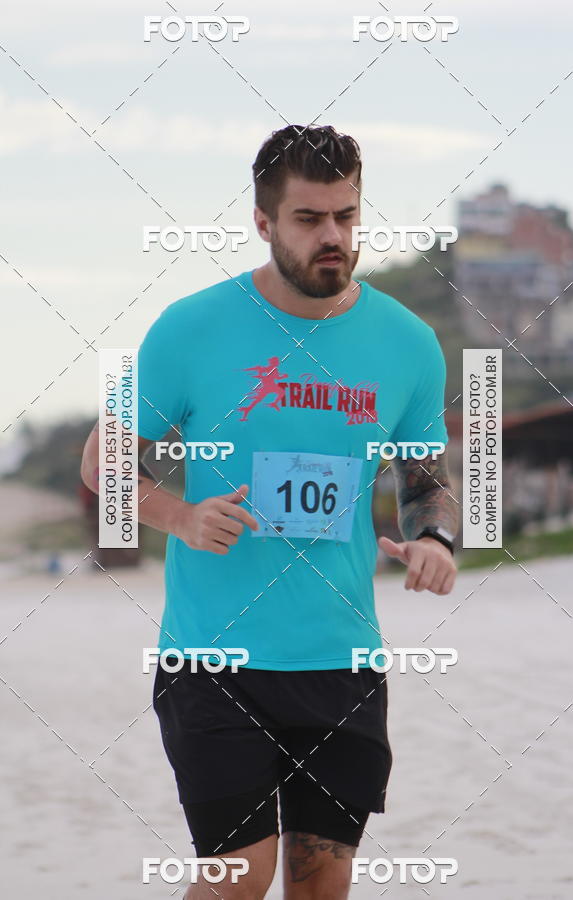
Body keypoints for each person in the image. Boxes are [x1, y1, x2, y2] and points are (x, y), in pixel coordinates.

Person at [80, 124, 459, 899]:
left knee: (321, 886)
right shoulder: (192, 328)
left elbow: (425, 479)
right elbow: (102, 465)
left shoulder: (408, 342)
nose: (333, 237)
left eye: (347, 217)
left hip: (341, 658)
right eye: (309, 218)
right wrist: (178, 516)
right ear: (263, 222)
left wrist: (437, 540)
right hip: (215, 660)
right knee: (237, 881)